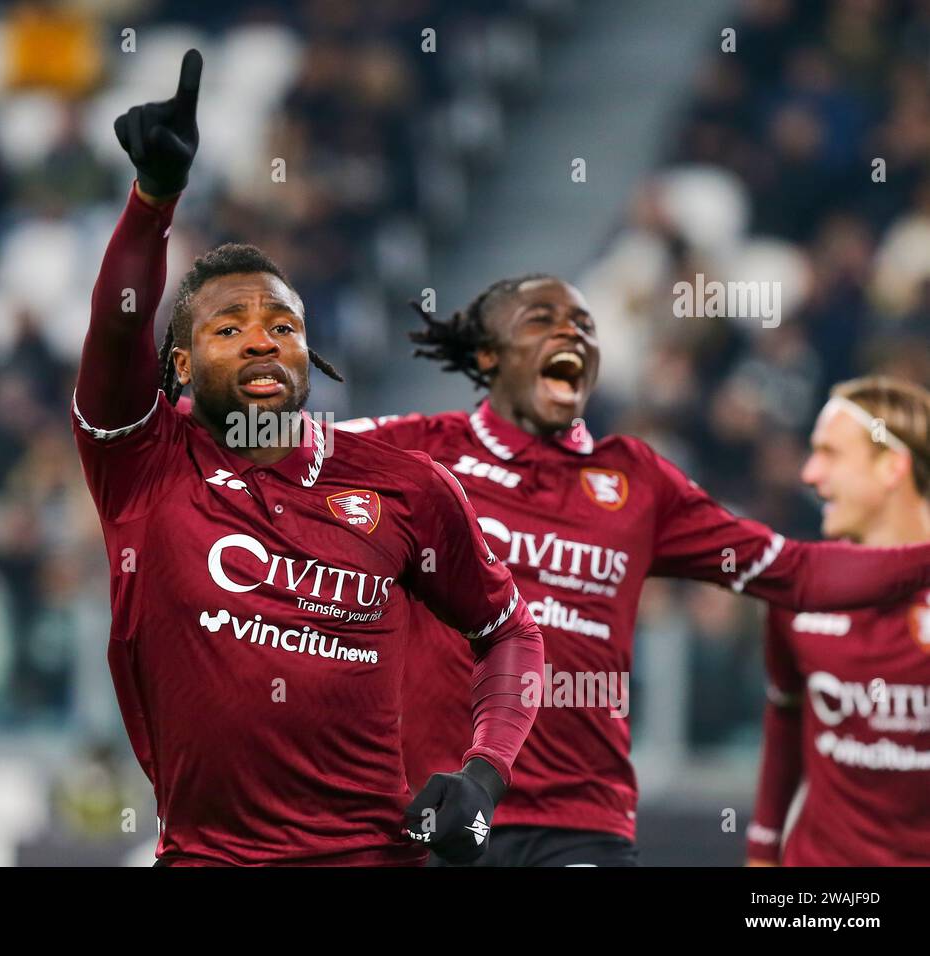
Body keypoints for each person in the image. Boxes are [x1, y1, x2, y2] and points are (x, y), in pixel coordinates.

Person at [73, 50, 544, 866]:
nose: (261, 337)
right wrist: (153, 199)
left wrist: (484, 773)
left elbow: (510, 634)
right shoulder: (144, 463)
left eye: (283, 326)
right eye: (227, 328)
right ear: (179, 366)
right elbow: (118, 326)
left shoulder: (404, 486)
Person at [337, 274, 930, 866]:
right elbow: (276, 458)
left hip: (581, 822)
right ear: (490, 355)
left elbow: (795, 572)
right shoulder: (413, 454)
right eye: (542, 319)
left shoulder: (638, 482)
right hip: (444, 813)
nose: (571, 332)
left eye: (585, 326)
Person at [747, 377, 930, 866]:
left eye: (830, 453)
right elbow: (784, 715)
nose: (809, 474)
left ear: (892, 467)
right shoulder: (799, 589)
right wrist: (762, 851)